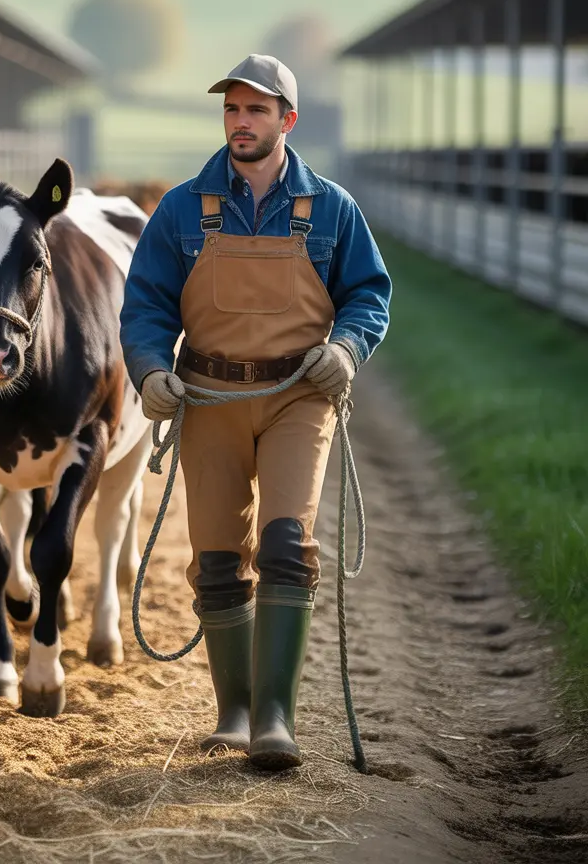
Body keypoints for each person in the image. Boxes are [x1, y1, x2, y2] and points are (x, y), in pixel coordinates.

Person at [120, 54, 391, 771]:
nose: (241, 122)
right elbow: (144, 302)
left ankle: (276, 716)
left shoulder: (330, 207)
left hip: (300, 396)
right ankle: (233, 711)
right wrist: (149, 369)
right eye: (232, 110)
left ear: (286, 121)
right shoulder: (183, 208)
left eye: (256, 111)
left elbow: (369, 293)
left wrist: (348, 346)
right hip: (209, 397)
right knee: (215, 558)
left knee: (284, 545)